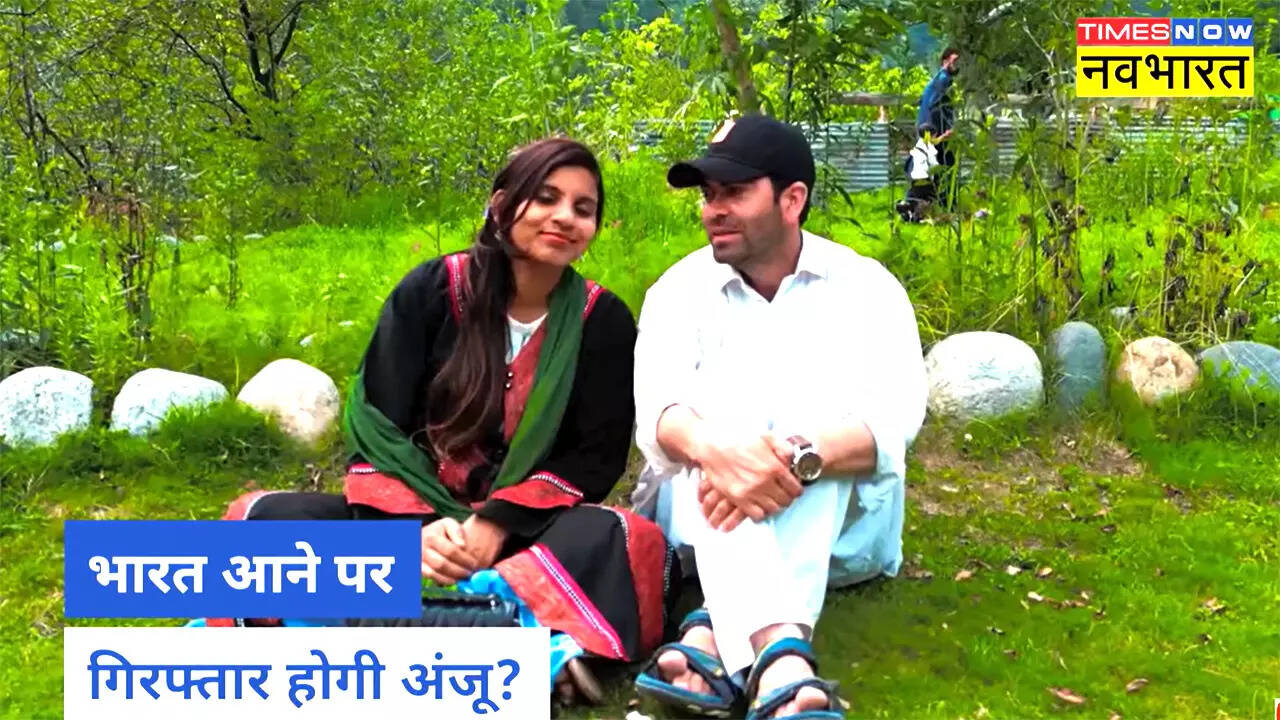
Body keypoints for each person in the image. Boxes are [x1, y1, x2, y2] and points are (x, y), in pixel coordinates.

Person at [207, 137, 681, 706]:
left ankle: (355, 625)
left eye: (583, 208)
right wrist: (420, 532)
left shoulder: (601, 320)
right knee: (260, 519)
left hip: (525, 535)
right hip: (405, 528)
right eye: (546, 198)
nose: (564, 217)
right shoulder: (431, 291)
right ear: (502, 204)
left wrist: (495, 525)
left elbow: (592, 457)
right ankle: (514, 635)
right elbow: (379, 428)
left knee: (627, 538)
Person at [631, 115, 927, 719]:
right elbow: (659, 416)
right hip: (705, 512)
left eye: (734, 193)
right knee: (715, 437)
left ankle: (708, 636)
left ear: (792, 200)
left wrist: (791, 456)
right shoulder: (678, 292)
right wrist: (721, 452)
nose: (714, 210)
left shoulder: (866, 289)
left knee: (807, 440)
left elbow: (894, 423)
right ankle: (782, 660)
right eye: (708, 195)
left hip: (839, 534)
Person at [898, 47, 961, 221]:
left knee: (929, 172)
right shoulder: (943, 80)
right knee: (944, 170)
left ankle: (918, 208)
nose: (957, 65)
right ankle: (947, 210)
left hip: (927, 133)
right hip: (935, 134)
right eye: (954, 61)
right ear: (945, 61)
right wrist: (942, 133)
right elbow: (935, 106)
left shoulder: (935, 81)